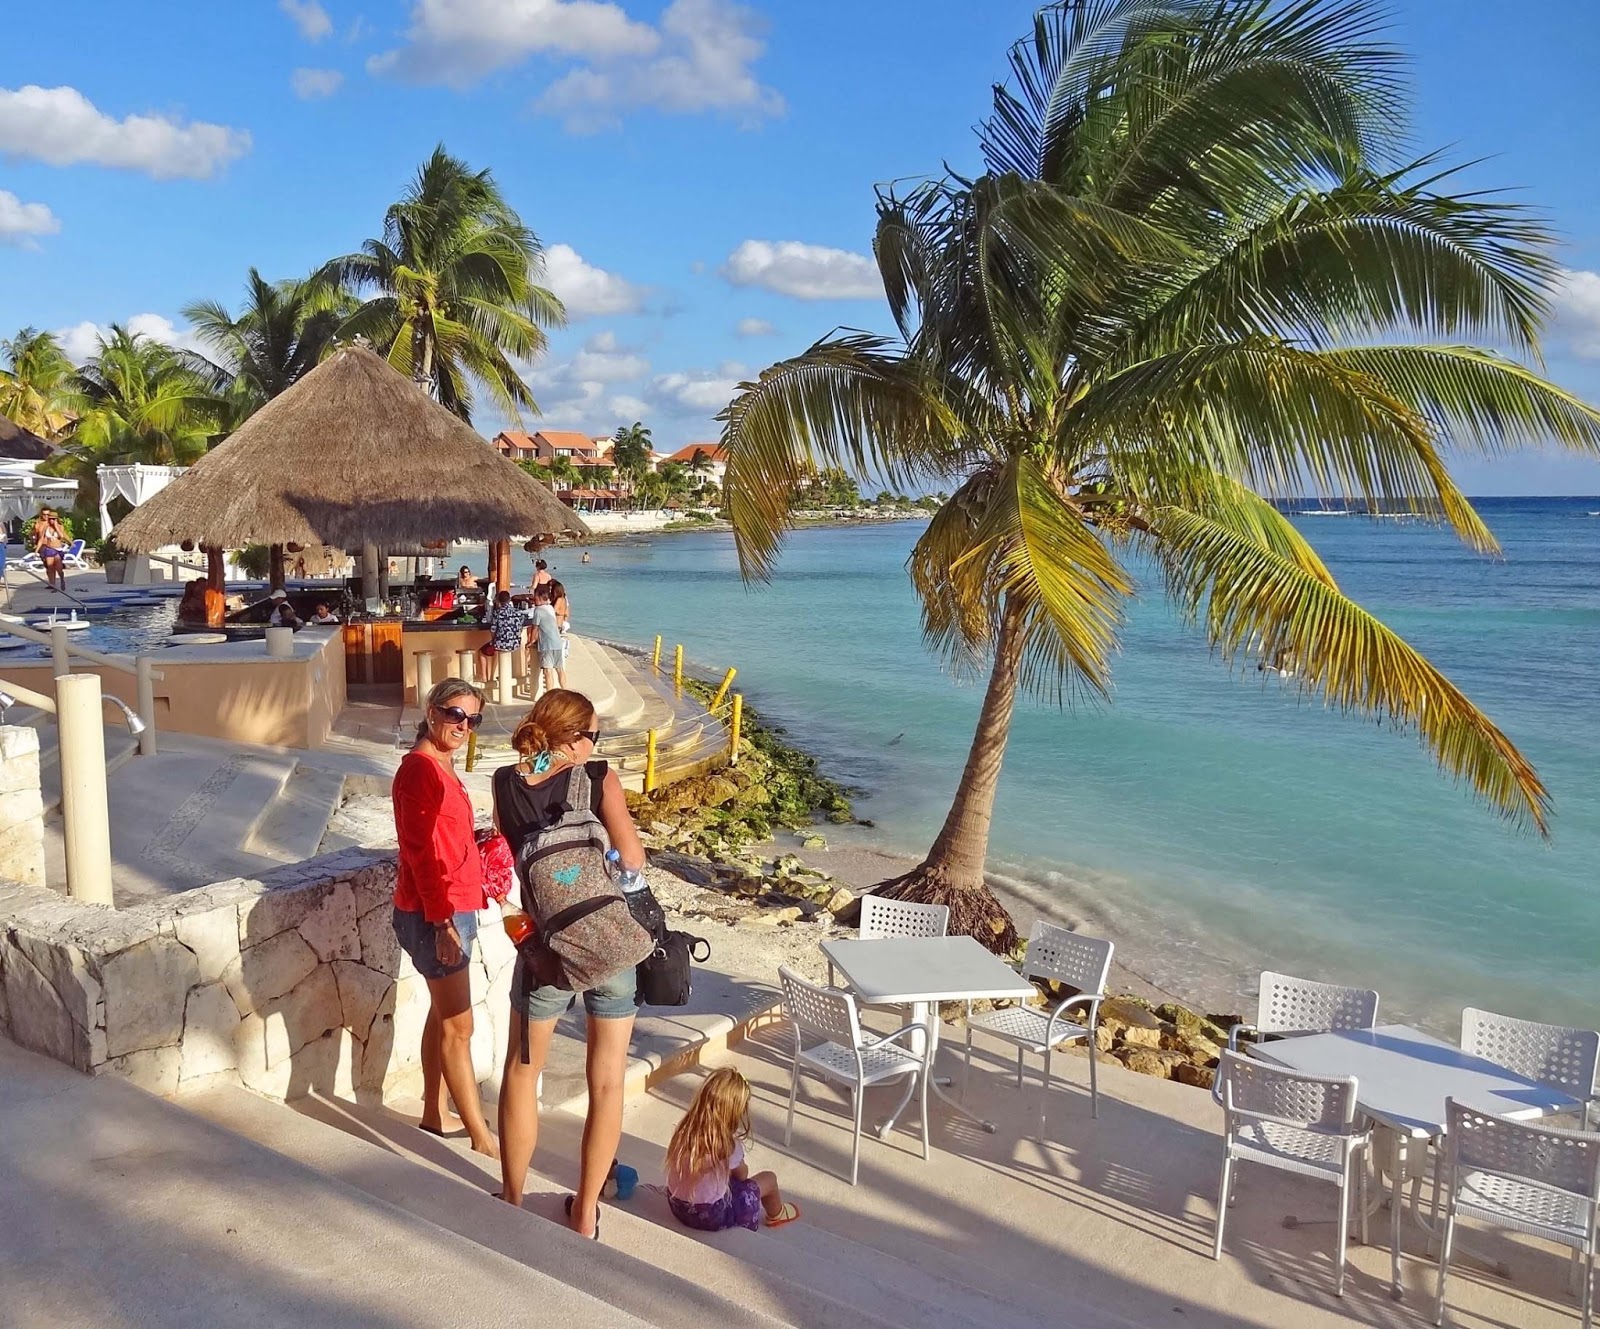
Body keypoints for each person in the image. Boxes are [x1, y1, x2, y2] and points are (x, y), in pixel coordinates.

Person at [494, 689, 638, 1239]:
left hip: (546, 953)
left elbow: (515, 855)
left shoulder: (507, 783)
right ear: (574, 737)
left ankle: (511, 1197)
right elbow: (632, 858)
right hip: (610, 947)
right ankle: (584, 1214)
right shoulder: (599, 778)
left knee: (522, 1073)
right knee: (605, 1084)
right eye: (592, 736)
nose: (595, 746)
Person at [390, 679, 499, 1158]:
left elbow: (441, 841)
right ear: (432, 712)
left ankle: (435, 1110)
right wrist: (442, 924)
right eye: (456, 715)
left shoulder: (440, 766)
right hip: (438, 915)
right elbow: (419, 852)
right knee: (461, 1027)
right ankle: (482, 1137)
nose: (464, 727)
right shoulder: (420, 772)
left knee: (443, 1014)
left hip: (454, 908)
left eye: (473, 719)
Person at [665, 1068, 798, 1232]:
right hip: (710, 1216)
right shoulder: (729, 1146)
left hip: (677, 1207)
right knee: (769, 1179)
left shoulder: (683, 1132)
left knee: (721, 1177)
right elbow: (742, 1175)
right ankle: (777, 1214)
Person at [529, 584, 565, 693]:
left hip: (547, 644)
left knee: (547, 671)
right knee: (560, 669)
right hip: (557, 642)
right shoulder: (550, 608)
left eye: (535, 597)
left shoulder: (538, 610)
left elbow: (535, 628)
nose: (534, 599)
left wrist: (531, 641)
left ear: (540, 598)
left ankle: (550, 694)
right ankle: (565, 690)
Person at [485, 589, 528, 677]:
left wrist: (493, 640)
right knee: (495, 649)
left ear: (498, 600)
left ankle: (489, 678)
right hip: (515, 644)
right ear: (509, 600)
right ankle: (495, 677)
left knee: (482, 652)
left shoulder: (497, 613)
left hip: (501, 644)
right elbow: (520, 626)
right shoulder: (518, 612)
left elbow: (493, 630)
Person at [31, 508, 67, 592]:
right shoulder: (44, 527)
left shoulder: (60, 526)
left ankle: (62, 579)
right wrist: (36, 550)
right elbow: (40, 539)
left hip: (57, 549)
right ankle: (53, 585)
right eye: (50, 519)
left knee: (59, 569)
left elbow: (61, 536)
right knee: (50, 567)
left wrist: (56, 526)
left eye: (53, 519)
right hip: (48, 549)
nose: (50, 520)